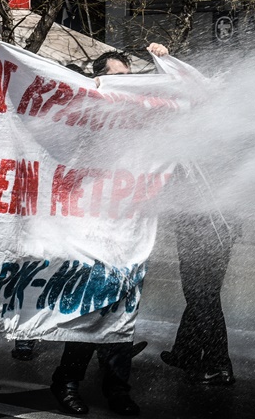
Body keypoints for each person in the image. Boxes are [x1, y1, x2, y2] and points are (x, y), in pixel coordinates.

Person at [48, 43, 167, 417]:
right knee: (93, 308)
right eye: (117, 79)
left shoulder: (141, 115)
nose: (126, 87)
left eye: (128, 80)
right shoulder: (86, 112)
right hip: (91, 227)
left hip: (129, 226)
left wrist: (163, 62)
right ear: (99, 80)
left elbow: (174, 100)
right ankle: (67, 381)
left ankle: (117, 388)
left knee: (122, 310)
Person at [160, 170, 235, 386]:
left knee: (203, 298)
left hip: (205, 232)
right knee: (200, 296)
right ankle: (186, 353)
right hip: (206, 230)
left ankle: (219, 365)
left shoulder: (203, 154)